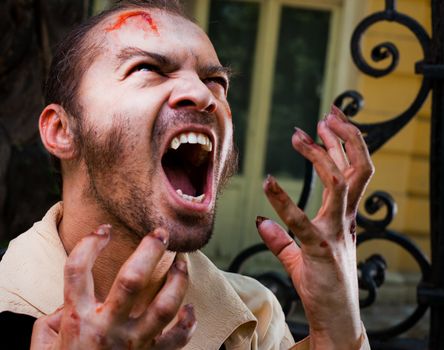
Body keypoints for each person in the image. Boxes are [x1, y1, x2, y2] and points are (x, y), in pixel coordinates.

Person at [0, 1, 374, 349]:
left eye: (216, 82)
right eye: (147, 69)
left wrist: (338, 331)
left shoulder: (255, 316)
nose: (203, 94)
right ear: (61, 130)